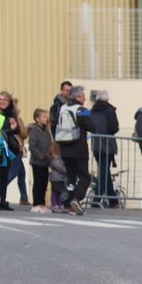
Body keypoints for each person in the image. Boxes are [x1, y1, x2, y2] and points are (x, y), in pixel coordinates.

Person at [55, 85, 94, 215]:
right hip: (79, 148)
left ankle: (67, 204)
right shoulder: (82, 110)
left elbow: (55, 122)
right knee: (85, 177)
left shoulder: (62, 108)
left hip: (64, 148)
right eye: (83, 96)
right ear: (77, 97)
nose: (85, 98)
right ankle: (76, 199)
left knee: (71, 177)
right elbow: (91, 126)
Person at [89, 90, 120, 209]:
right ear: (107, 99)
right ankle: (96, 199)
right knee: (103, 172)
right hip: (107, 145)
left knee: (104, 172)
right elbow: (114, 128)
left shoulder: (92, 111)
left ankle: (113, 201)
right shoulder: (110, 110)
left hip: (96, 144)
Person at [0, 91, 23, 211]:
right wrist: (11, 129)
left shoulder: (11, 114)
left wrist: (13, 128)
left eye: (4, 100)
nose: (2, 102)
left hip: (9, 149)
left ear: (9, 102)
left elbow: (17, 130)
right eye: (0, 99)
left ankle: (3, 200)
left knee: (5, 175)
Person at [27, 109, 52, 213]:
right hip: (37, 161)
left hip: (46, 161)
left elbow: (49, 144)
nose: (46, 119)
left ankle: (42, 203)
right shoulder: (34, 130)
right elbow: (32, 146)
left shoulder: (46, 131)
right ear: (37, 119)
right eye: (43, 117)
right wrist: (41, 155)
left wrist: (49, 154)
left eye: (46, 117)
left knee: (44, 183)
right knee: (38, 182)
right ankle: (36, 203)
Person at [47, 142, 68, 213]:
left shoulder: (56, 159)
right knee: (56, 192)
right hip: (57, 178)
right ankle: (55, 205)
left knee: (58, 192)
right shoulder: (55, 159)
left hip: (57, 178)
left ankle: (58, 204)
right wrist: (67, 170)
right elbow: (60, 168)